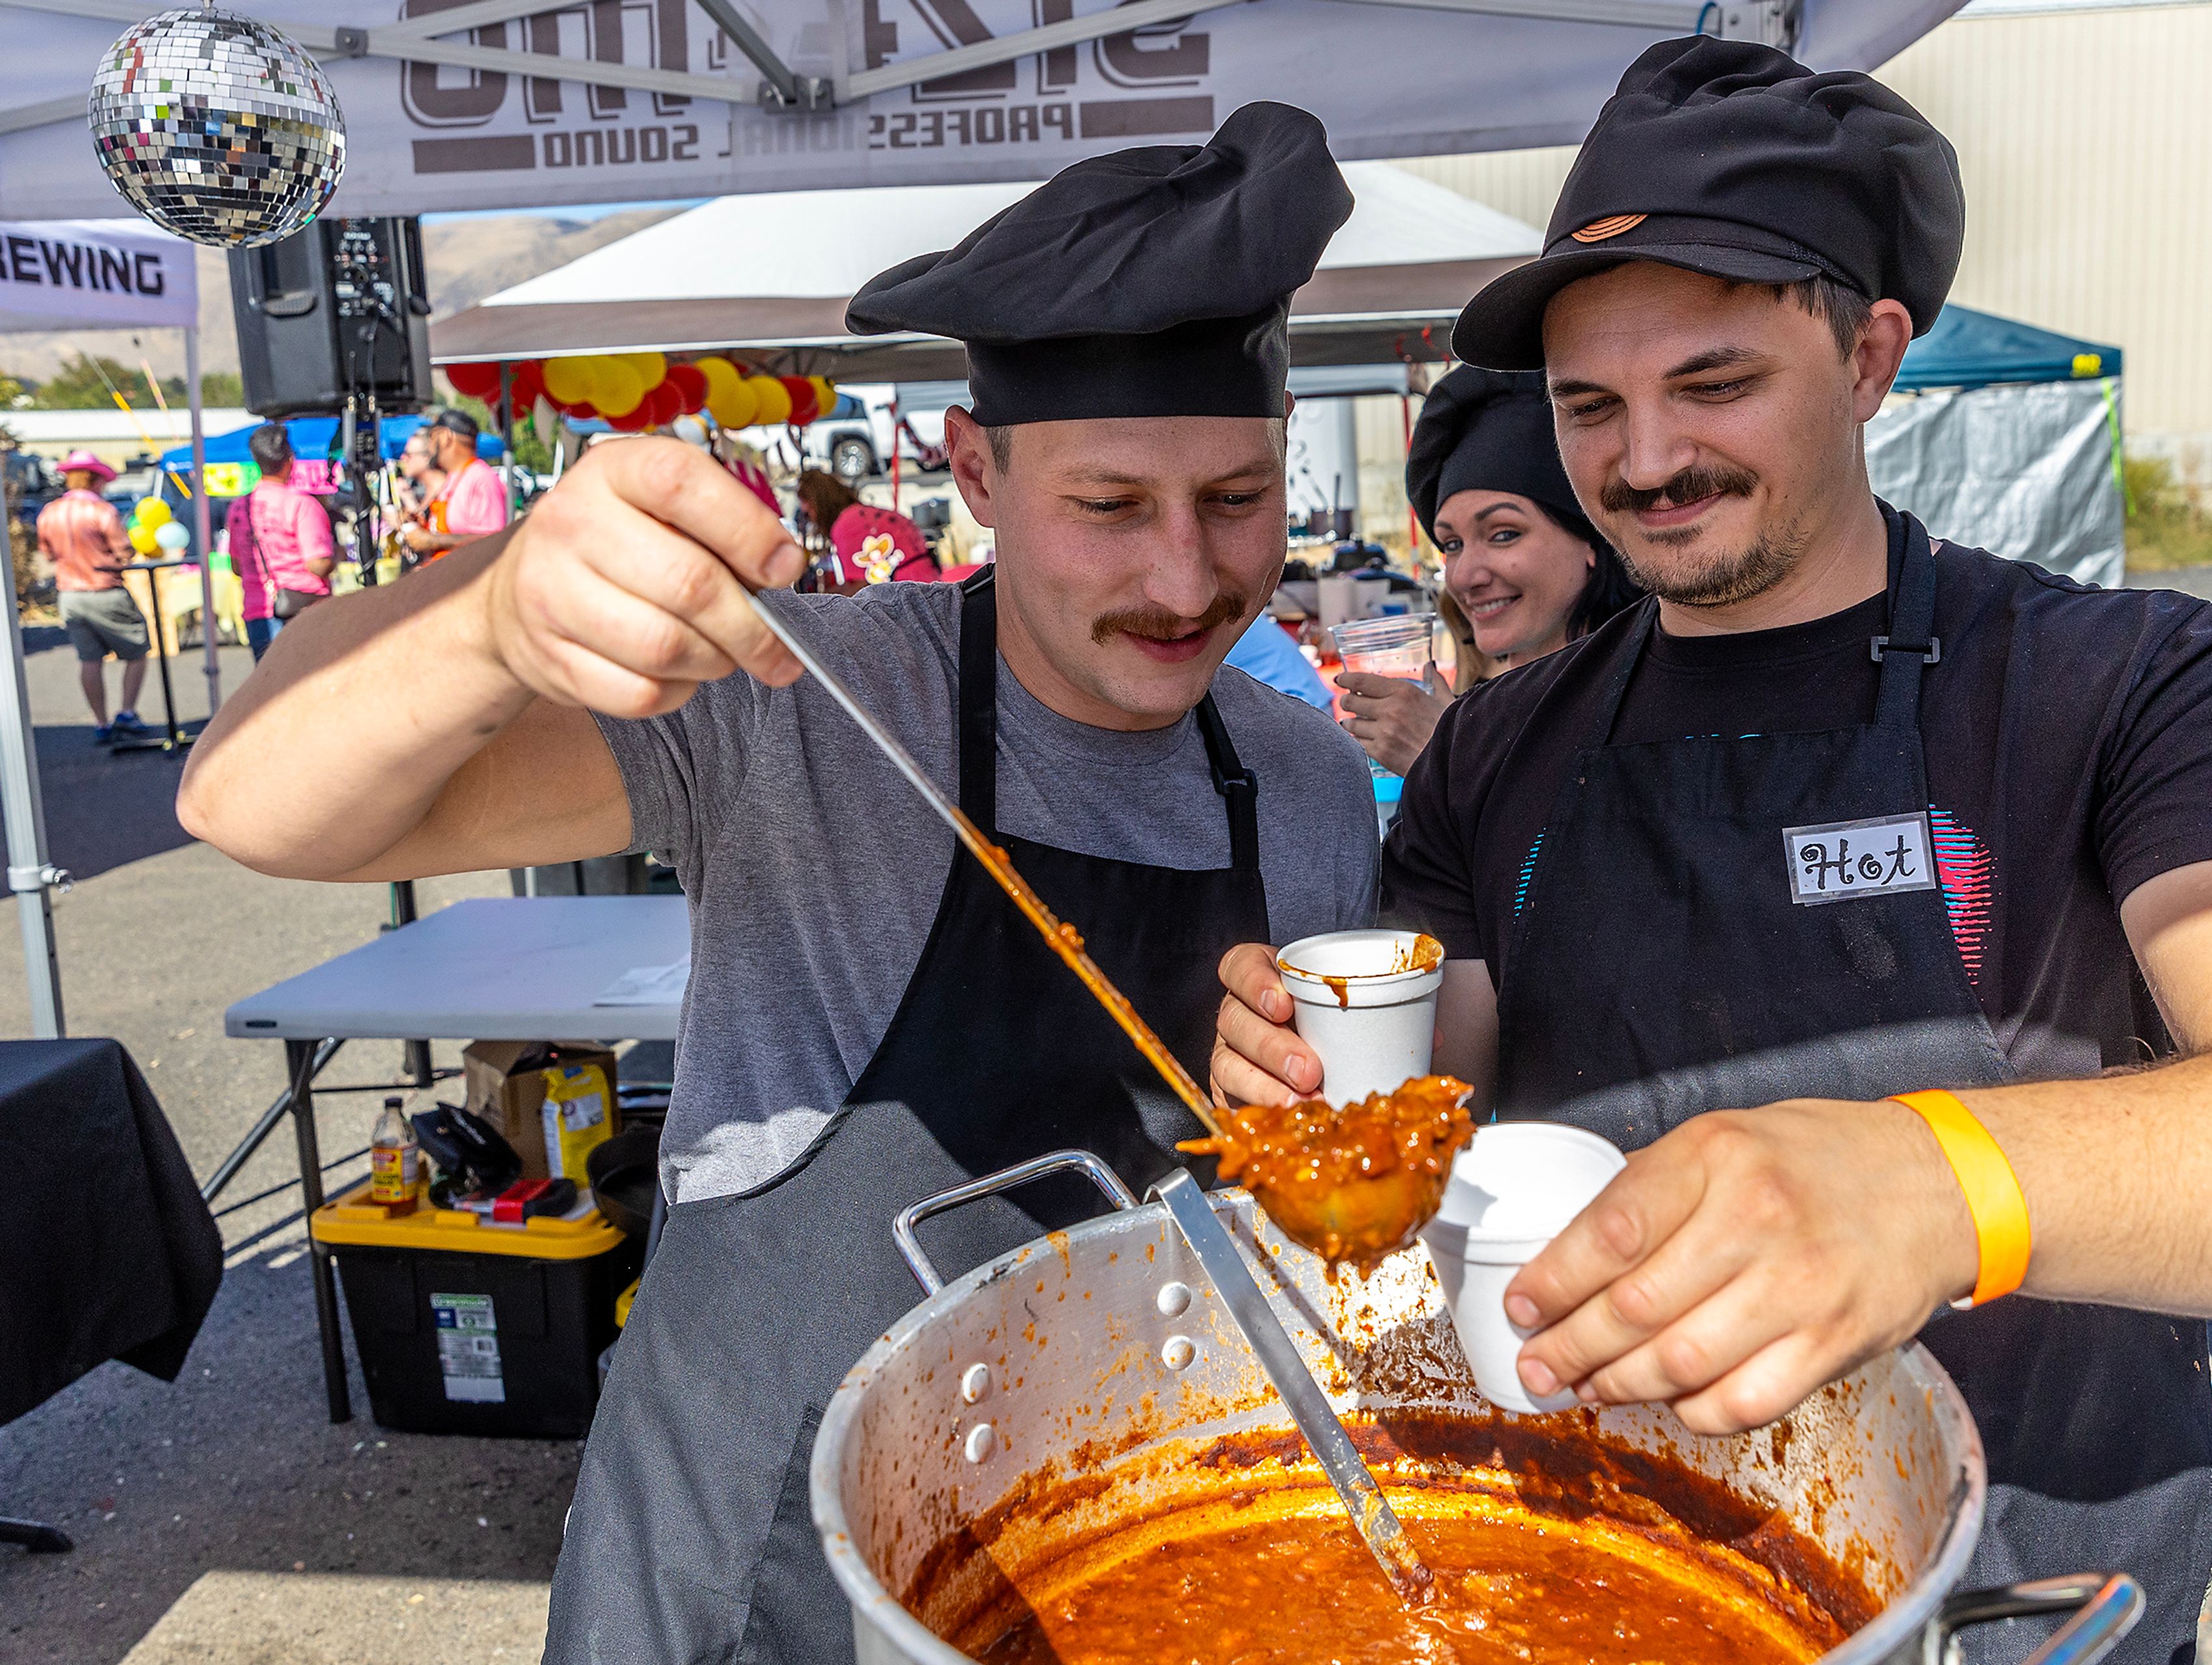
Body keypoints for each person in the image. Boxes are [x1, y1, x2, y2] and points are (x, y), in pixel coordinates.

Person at [1209, 40, 2212, 1664]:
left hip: (2028, 1590)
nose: (1644, 459)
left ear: (1869, 353)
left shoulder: (2133, 680)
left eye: (1715, 383)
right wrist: (1324, 1082)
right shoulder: (1500, 740)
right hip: (1608, 1577)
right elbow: (1438, 1080)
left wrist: (1929, 1181)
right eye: (1590, 407)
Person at [176, 103, 1375, 1665]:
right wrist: (487, 623)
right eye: (1108, 506)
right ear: (974, 468)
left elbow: (1316, 1198)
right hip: (742, 1570)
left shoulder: (1303, 779)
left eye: (1234, 500)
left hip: (1113, 1550)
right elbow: (253, 800)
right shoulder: (797, 697)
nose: (1182, 577)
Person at [1340, 366, 1643, 774]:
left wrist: (1446, 762)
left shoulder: (1648, 706)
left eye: (1503, 535)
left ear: (1593, 540)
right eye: (1452, 545)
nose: (1465, 577)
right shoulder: (1477, 709)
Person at [36, 450, 150, 742]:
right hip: (105, 590)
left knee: (89, 660)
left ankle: (100, 722)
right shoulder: (103, 512)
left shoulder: (50, 512)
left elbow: (48, 553)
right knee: (137, 651)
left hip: (70, 594)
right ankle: (126, 712)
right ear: (96, 480)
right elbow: (123, 551)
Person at [224, 424, 335, 660]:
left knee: (271, 687)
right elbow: (317, 563)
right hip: (304, 607)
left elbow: (236, 567)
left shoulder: (238, 507)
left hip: (257, 609)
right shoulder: (301, 504)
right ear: (290, 459)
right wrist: (338, 556)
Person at [400, 410, 506, 558]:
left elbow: (494, 541)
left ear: (446, 437)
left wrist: (432, 541)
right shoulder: (454, 478)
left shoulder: (482, 479)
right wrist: (423, 527)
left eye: (432, 437)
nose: (429, 447)